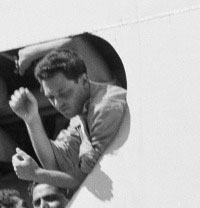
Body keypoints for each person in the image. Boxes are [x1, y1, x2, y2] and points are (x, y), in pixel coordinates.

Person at [9, 46, 128, 191]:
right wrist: (32, 119)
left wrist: (36, 174)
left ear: (84, 81)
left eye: (64, 94)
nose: (58, 104)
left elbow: (88, 178)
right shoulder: (81, 113)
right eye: (51, 97)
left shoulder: (104, 108)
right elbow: (55, 163)